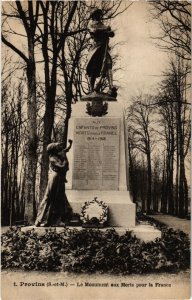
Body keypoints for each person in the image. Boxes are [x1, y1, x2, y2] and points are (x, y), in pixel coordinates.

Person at [35, 140, 73, 227]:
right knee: (51, 198)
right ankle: (42, 219)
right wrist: (65, 160)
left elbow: (66, 150)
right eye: (58, 147)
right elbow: (62, 166)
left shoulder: (58, 155)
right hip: (55, 178)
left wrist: (70, 144)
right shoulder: (53, 158)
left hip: (59, 179)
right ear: (54, 150)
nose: (60, 148)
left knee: (58, 198)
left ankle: (54, 220)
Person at [86, 7, 115, 95]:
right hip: (96, 49)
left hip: (104, 49)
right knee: (93, 70)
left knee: (108, 65)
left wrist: (109, 32)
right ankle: (92, 89)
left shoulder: (103, 25)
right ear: (93, 15)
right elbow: (94, 31)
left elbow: (112, 33)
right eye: (97, 14)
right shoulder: (91, 24)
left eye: (99, 14)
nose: (99, 16)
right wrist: (106, 30)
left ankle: (111, 87)